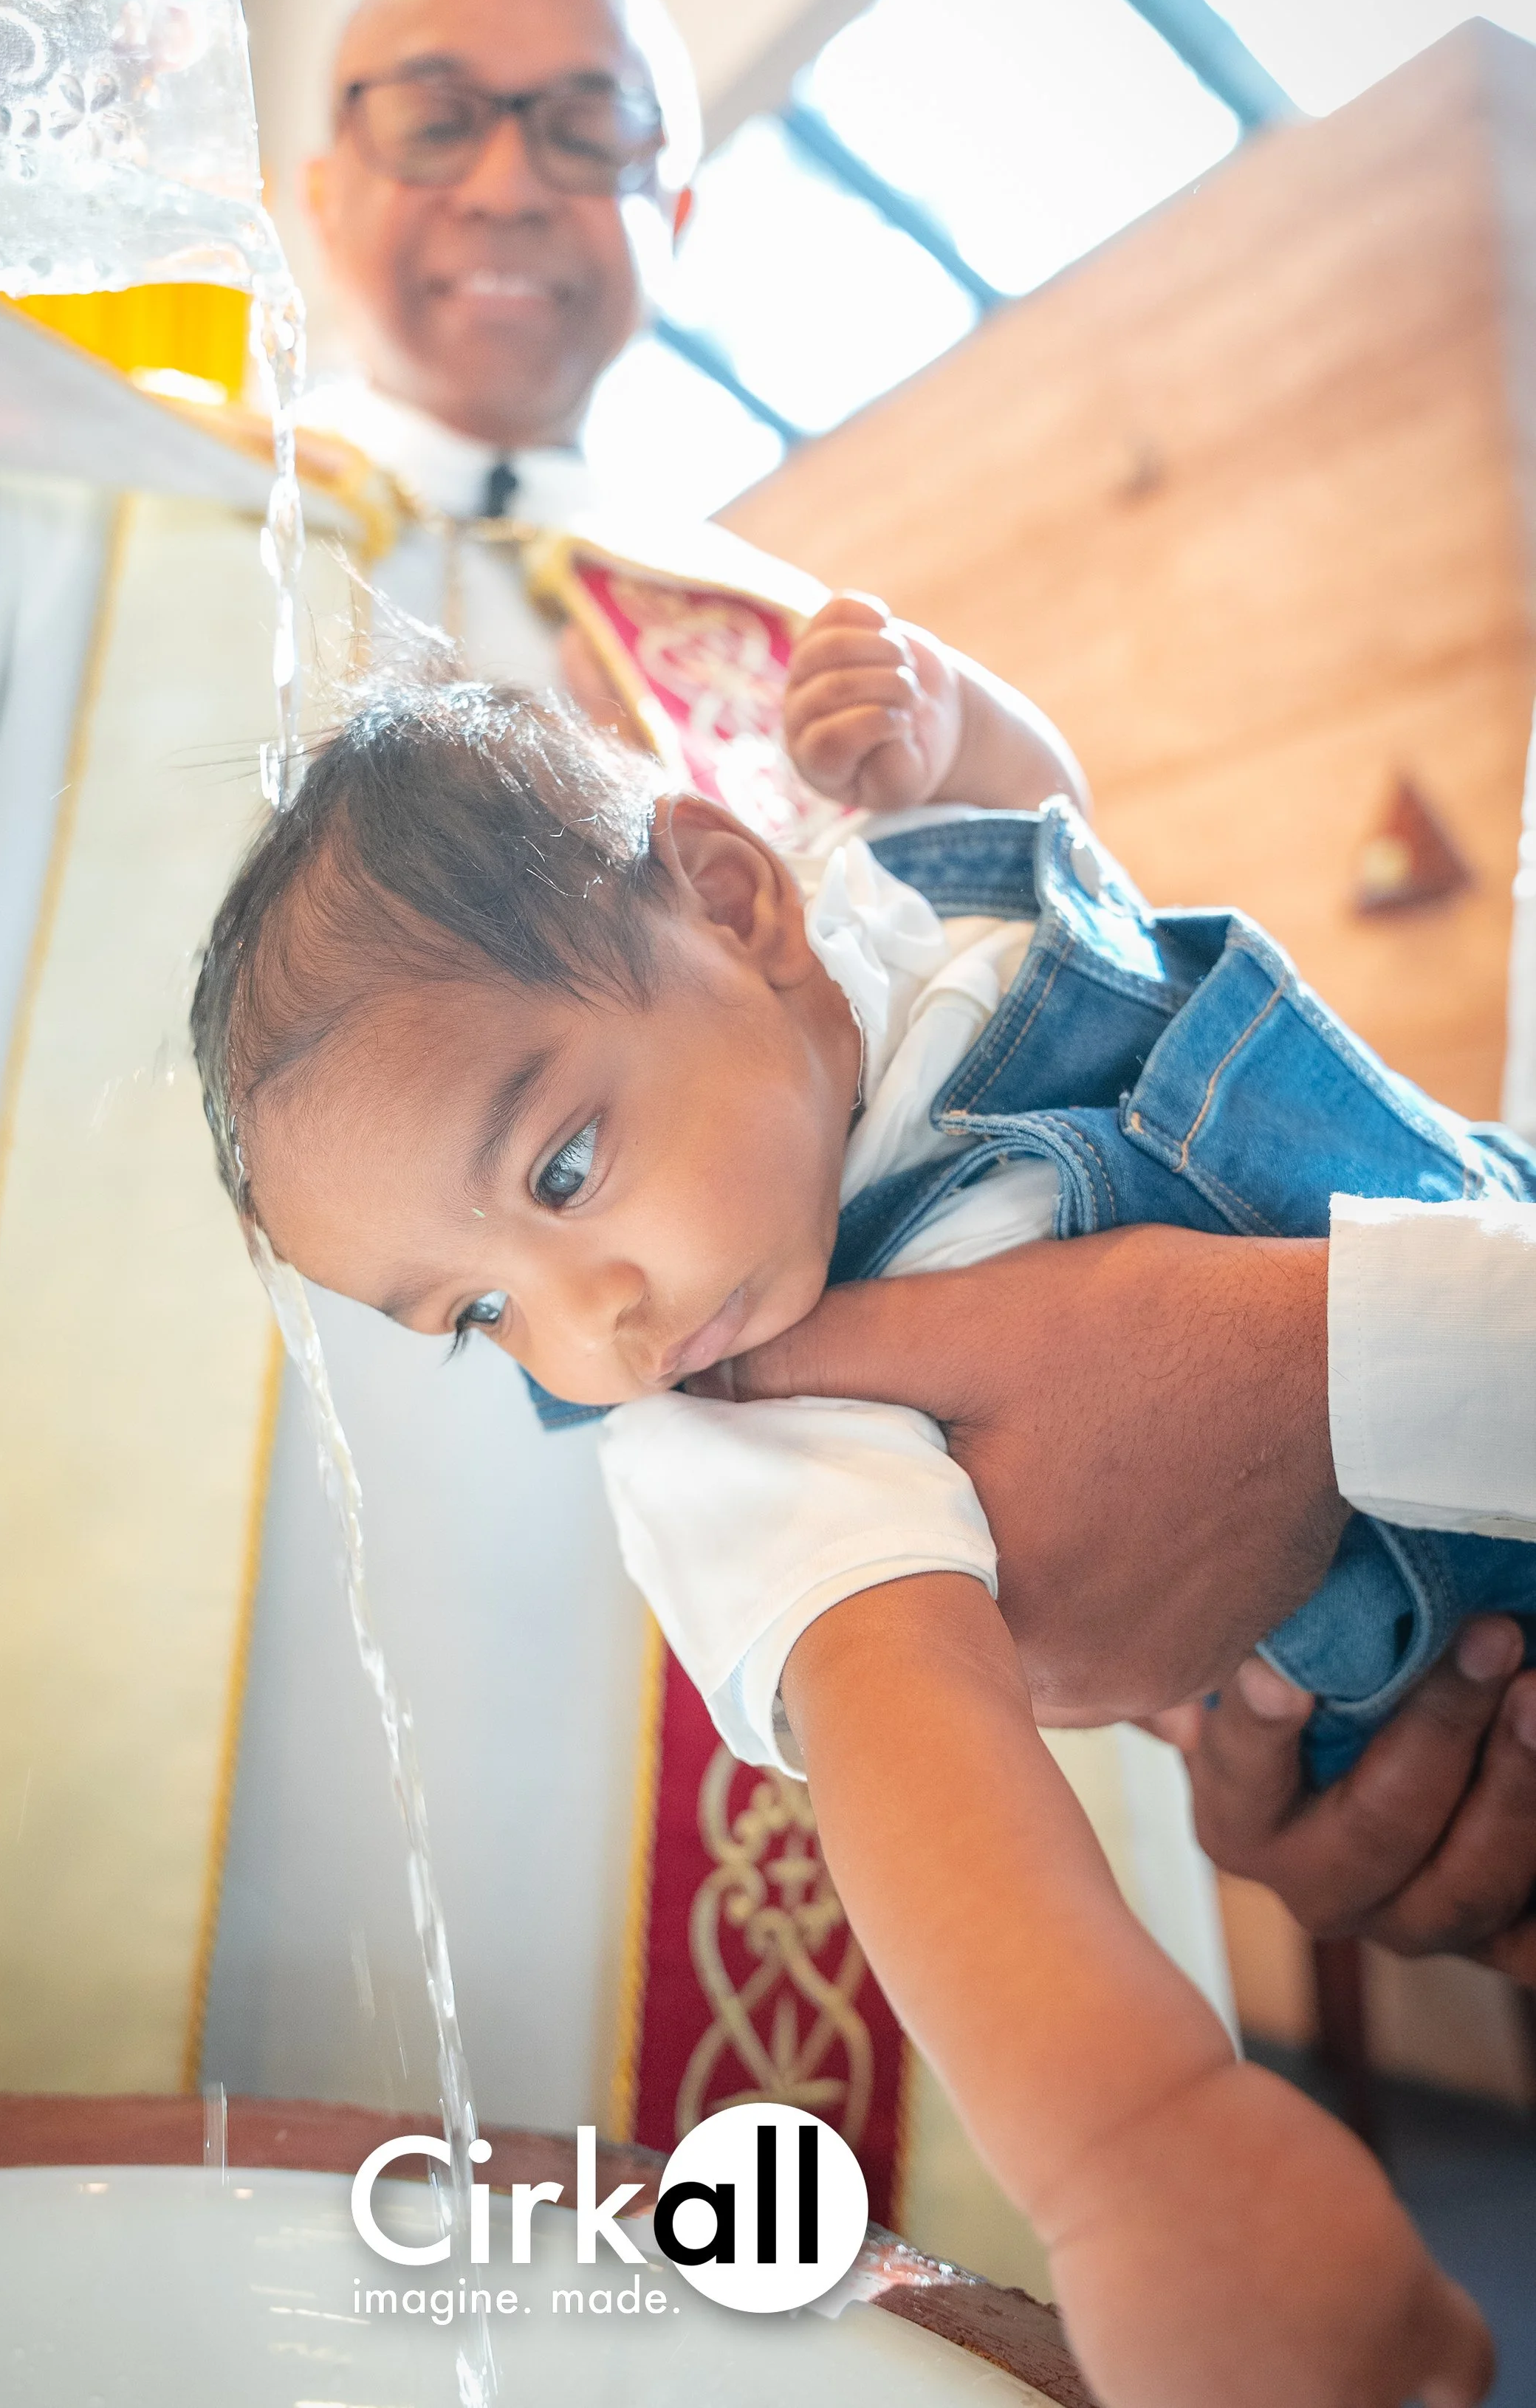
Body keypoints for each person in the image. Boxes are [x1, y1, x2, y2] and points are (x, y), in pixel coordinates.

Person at [0, 0, 1526, 2018]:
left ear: (671, 218)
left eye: (590, 128)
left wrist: (1295, 1651)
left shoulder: (828, 687)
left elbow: (1112, 1202)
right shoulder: (57, 519)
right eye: (429, 106)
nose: (506, 173)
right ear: (312, 170)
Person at [186, 669, 1531, 2406]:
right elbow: (914, 1748)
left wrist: (932, 714)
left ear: (740, 907)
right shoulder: (744, 1426)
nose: (584, 1330)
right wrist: (1146, 2157)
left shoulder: (895, 922)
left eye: (566, 1169)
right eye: (473, 1314)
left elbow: (1053, 826)